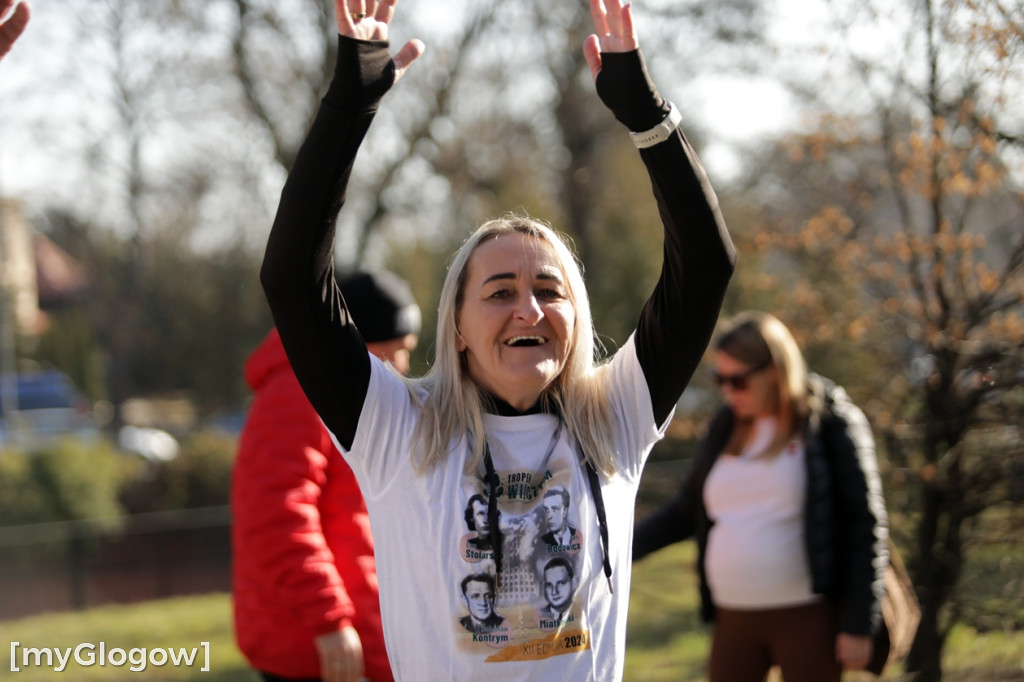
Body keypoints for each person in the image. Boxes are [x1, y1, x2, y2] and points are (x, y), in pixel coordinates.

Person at [259, 0, 735, 678]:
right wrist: (348, 106)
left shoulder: (616, 419)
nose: (528, 310)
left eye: (549, 290)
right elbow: (291, 278)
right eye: (500, 292)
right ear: (455, 327)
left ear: (577, 320)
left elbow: (706, 267)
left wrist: (650, 120)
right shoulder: (399, 430)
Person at [633, 311, 889, 682]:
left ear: (776, 368)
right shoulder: (726, 425)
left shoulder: (830, 422)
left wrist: (859, 623)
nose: (727, 391)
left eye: (737, 380)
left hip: (807, 617)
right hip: (732, 617)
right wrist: (618, 552)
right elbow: (686, 511)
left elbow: (864, 523)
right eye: (720, 379)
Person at [232, 270, 421, 682]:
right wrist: (329, 620)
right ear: (360, 341)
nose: (404, 365)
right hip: (318, 648)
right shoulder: (299, 391)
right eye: (397, 349)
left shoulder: (344, 394)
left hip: (348, 639)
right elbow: (277, 513)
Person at [539, 557, 577, 624]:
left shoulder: (582, 611)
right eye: (549, 585)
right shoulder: (538, 615)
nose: (554, 592)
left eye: (560, 583)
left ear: (573, 583)